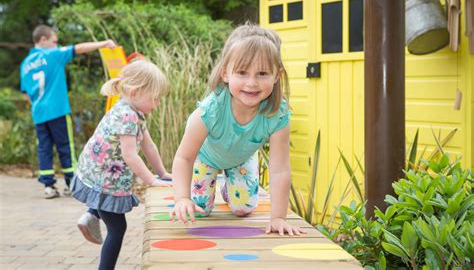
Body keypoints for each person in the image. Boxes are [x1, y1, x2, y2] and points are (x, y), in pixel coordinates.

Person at [170, 23, 307, 236]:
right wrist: (182, 199)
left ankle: (228, 187)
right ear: (225, 73)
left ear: (277, 75)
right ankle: (211, 185)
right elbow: (184, 158)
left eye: (262, 73)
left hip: (241, 159)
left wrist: (278, 218)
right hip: (206, 158)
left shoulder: (277, 114)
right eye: (242, 72)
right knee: (200, 209)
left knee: (243, 208)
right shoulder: (210, 111)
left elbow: (280, 168)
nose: (251, 83)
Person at [71, 59, 172, 270]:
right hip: (103, 177)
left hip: (100, 172)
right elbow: (130, 155)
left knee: (107, 208)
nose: (157, 103)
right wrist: (152, 180)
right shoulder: (127, 115)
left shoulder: (135, 111)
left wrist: (162, 173)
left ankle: (91, 214)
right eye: (155, 98)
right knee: (117, 228)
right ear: (135, 93)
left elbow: (149, 145)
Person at [20, 24, 116, 199]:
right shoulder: (53, 55)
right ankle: (70, 183)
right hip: (57, 110)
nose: (57, 44)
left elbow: (26, 93)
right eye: (54, 41)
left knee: (44, 148)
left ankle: (48, 186)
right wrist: (103, 43)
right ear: (43, 40)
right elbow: (78, 48)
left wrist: (38, 105)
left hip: (39, 113)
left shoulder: (25, 64)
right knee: (65, 146)